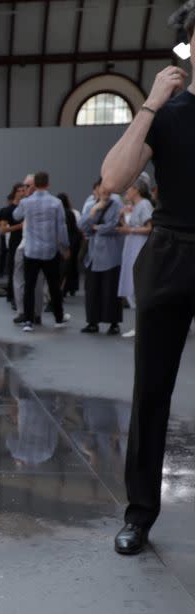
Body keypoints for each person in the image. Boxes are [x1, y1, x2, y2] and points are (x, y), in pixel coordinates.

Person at [100, 29, 195, 554]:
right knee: (151, 391)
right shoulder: (170, 114)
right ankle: (139, 514)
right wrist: (151, 102)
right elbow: (113, 178)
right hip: (170, 253)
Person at [11, 171, 70, 331]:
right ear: (48, 184)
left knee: (29, 286)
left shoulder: (27, 202)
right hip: (50, 250)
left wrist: (24, 199)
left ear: (34, 185)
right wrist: (65, 246)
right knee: (53, 285)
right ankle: (58, 318)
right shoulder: (56, 203)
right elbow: (61, 227)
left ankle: (28, 321)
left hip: (31, 250)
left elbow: (16, 216)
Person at [78, 185, 124, 334]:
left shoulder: (117, 204)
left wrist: (97, 228)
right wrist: (94, 210)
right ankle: (92, 322)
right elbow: (83, 226)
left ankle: (113, 323)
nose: (103, 192)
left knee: (110, 289)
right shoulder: (92, 204)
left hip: (111, 253)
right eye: (100, 189)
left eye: (106, 190)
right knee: (92, 290)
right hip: (93, 254)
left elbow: (114, 226)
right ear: (95, 191)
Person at [116, 176, 154, 330]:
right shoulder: (137, 205)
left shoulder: (144, 205)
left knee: (138, 283)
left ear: (136, 190)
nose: (126, 192)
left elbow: (150, 228)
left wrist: (129, 229)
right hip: (133, 246)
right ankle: (140, 326)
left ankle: (142, 327)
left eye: (129, 189)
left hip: (139, 247)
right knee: (134, 284)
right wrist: (122, 219)